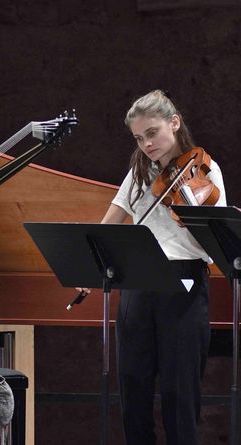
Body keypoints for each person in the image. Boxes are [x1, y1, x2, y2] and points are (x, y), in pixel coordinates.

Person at [98, 90, 226, 444]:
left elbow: (212, 247)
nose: (147, 144)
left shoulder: (206, 170)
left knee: (179, 393)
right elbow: (112, 220)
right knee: (133, 387)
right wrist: (95, 258)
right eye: (139, 138)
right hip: (138, 281)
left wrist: (193, 212)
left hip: (183, 282)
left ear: (174, 122)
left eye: (152, 133)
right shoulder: (139, 170)